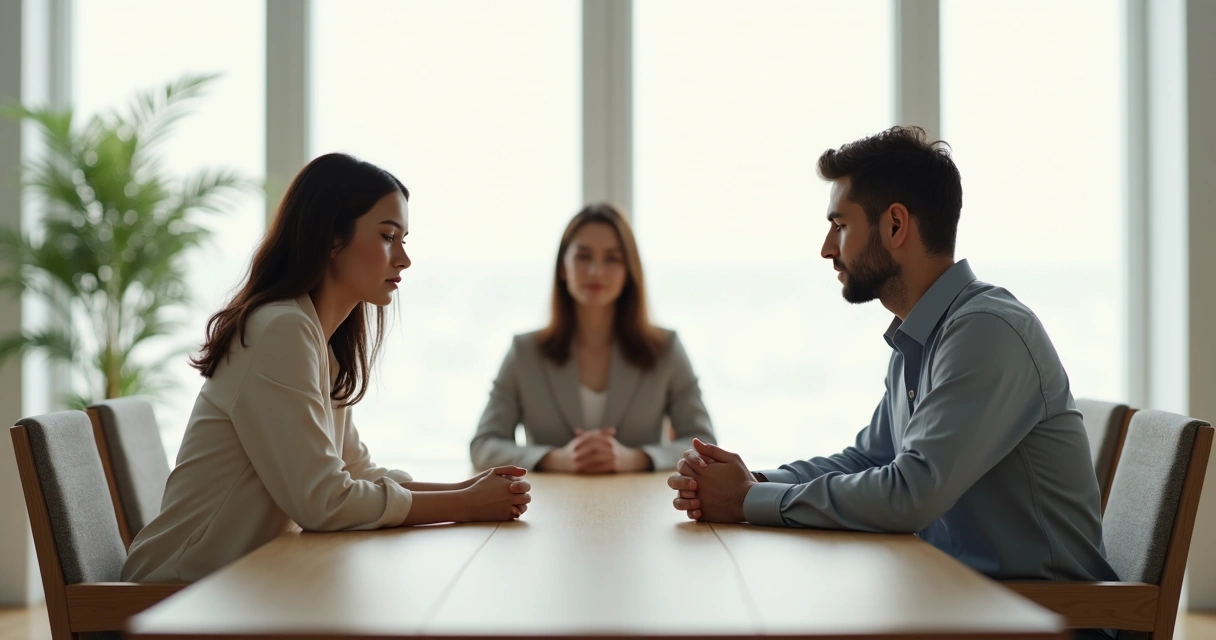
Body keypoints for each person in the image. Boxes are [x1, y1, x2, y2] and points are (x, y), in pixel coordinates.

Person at [668, 126, 1118, 588]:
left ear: (896, 225)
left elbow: (910, 494)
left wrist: (746, 501)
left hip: (1047, 619)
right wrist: (750, 481)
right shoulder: (921, 334)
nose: (826, 248)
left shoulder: (985, 332)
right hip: (963, 600)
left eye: (840, 226)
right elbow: (870, 459)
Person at [123, 153, 531, 583]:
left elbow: (356, 473)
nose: (404, 259)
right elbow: (324, 502)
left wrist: (466, 492)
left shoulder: (317, 341)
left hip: (238, 586)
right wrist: (464, 506)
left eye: (404, 239)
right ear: (332, 239)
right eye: (389, 236)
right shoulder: (280, 330)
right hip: (177, 593)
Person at [471, 203, 716, 473]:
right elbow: (484, 445)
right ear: (563, 268)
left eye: (612, 258)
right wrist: (554, 458)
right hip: (545, 507)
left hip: (641, 505)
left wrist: (635, 458)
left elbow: (704, 444)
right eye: (583, 256)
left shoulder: (665, 349)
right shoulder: (525, 352)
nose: (596, 271)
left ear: (628, 271)